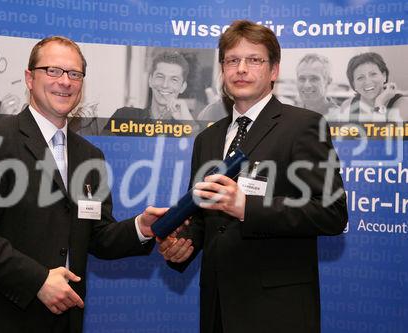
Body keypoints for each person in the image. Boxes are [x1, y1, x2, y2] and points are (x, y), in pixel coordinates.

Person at [0, 36, 165, 333]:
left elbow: (98, 234)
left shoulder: (90, 156)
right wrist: (37, 280)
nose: (65, 81)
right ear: (29, 78)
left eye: (74, 74)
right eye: (53, 71)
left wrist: (142, 227)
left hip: (63, 321)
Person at [158, 20, 348, 333]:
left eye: (254, 60)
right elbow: (207, 219)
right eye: (232, 61)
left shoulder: (304, 126)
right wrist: (183, 246)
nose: (241, 69)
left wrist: (248, 207)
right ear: (223, 70)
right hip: (218, 310)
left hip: (278, 312)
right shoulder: (207, 139)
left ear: (274, 70)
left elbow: (332, 212)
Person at [108, 51, 193, 122]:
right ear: (150, 81)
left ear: (182, 87)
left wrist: (189, 124)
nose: (165, 85)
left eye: (174, 79)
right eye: (160, 77)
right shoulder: (124, 116)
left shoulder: (189, 127)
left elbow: (200, 142)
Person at [338, 52, 408, 121]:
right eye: (360, 78)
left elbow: (381, 132)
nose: (368, 82)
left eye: (373, 74)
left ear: (384, 76)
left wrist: (379, 102)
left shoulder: (403, 104)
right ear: (354, 84)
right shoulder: (347, 106)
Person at [295, 53, 340, 118]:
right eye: (302, 79)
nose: (307, 85)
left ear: (328, 82)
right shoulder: (291, 115)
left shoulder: (341, 117)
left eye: (314, 79)